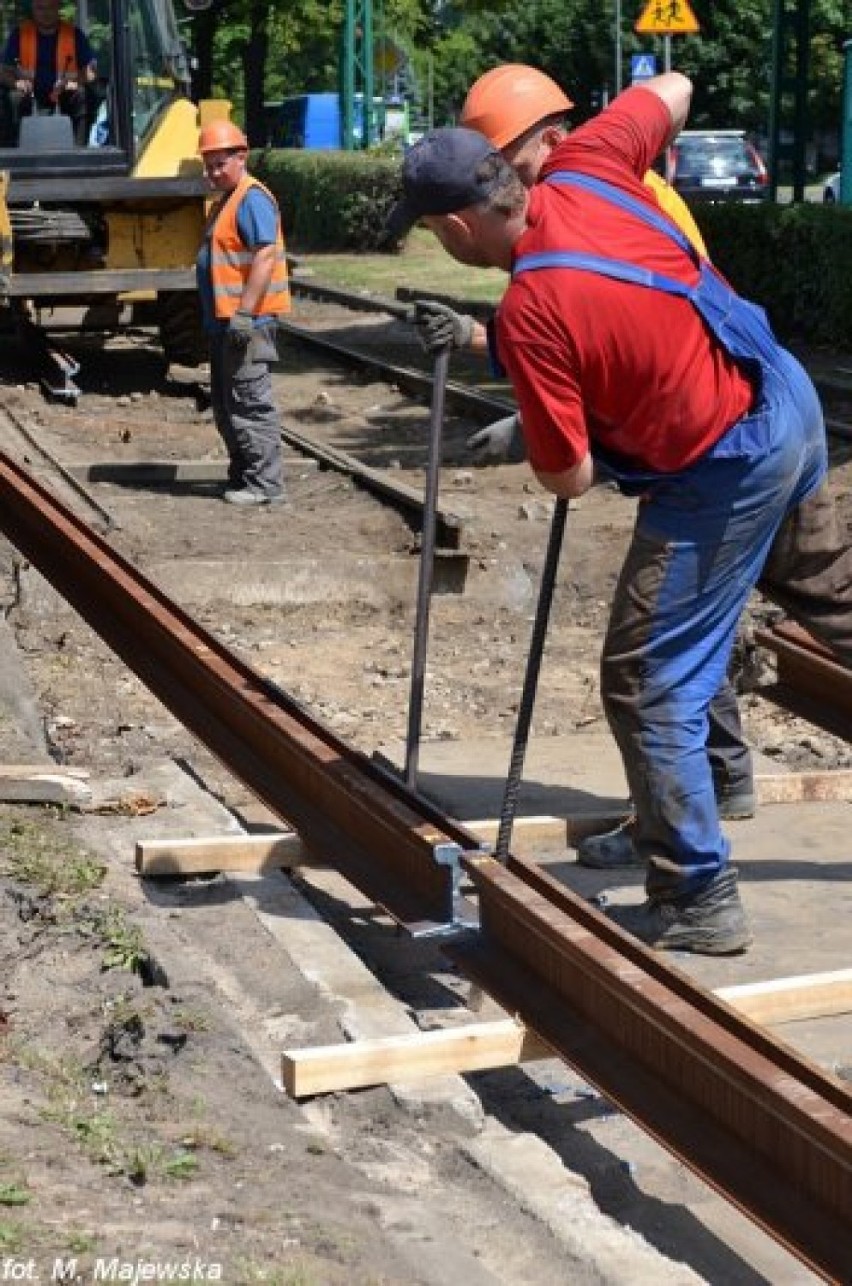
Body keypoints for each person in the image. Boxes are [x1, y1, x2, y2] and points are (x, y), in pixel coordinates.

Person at [385, 81, 852, 956]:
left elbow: (569, 479)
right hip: (782, 401)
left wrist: (533, 416)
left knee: (648, 676)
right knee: (838, 602)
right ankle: (679, 818)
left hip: (725, 465)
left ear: (455, 229)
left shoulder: (530, 314)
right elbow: (671, 87)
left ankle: (696, 895)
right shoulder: (594, 161)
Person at [403, 64, 756, 870]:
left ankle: (690, 854)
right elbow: (570, 321)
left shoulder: (605, 187)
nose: (498, 171)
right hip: (715, 430)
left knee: (664, 650)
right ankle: (717, 785)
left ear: (552, 141)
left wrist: (540, 422)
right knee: (691, 621)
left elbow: (592, 327)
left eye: (501, 154)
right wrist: (482, 343)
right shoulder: (581, 180)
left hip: (722, 432)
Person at [196, 120, 290, 506]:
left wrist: (245, 314)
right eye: (209, 165)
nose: (214, 172)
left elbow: (264, 256)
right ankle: (244, 475)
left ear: (242, 157)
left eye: (221, 163)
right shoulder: (228, 199)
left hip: (246, 323)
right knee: (227, 403)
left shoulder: (251, 198)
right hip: (226, 322)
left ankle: (266, 485)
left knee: (250, 401)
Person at [0, 0, 97, 146]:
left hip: (64, 95)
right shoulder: (19, 35)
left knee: (81, 94)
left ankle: (79, 151)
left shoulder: (74, 34)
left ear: (58, 7)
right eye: (40, 8)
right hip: (28, 95)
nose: (45, 13)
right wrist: (16, 83)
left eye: (50, 7)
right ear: (33, 9)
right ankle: (12, 152)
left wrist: (73, 83)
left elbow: (90, 72)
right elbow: (3, 71)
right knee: (13, 98)